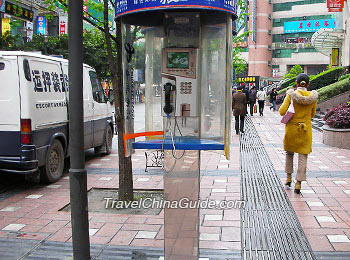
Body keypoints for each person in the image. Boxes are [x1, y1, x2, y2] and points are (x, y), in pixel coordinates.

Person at [279, 73, 318, 194]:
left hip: (292, 128)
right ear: (308, 84)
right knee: (303, 156)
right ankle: (299, 183)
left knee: (289, 154)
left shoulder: (291, 95)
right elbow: (313, 115)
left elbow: (282, 111)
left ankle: (288, 178)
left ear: (296, 83)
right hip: (305, 130)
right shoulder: (312, 97)